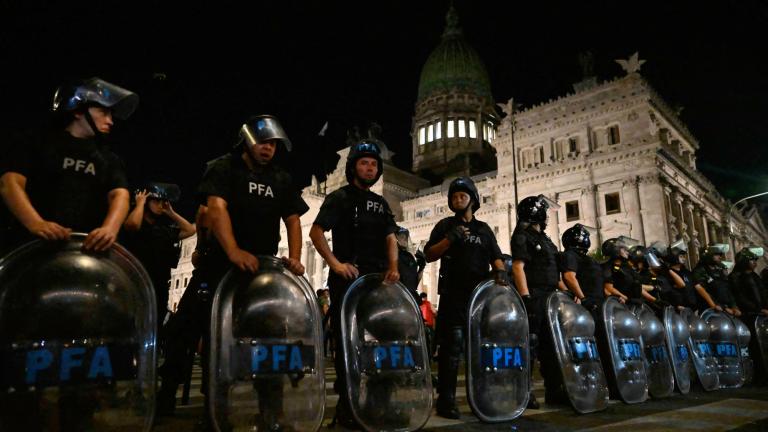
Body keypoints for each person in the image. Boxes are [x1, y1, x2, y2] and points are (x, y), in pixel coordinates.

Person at [157, 115, 308, 431]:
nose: (268, 149)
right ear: (247, 142)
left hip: (261, 268)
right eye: (262, 143)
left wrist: (294, 259)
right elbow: (215, 209)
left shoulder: (280, 178)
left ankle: (271, 410)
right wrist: (232, 251)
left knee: (270, 338)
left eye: (273, 145)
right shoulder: (224, 168)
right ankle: (183, 397)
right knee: (191, 328)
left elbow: (293, 219)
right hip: (219, 265)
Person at [309, 139, 399, 428]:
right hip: (347, 282)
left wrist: (394, 268)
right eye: (364, 163)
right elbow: (316, 231)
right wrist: (335, 264)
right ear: (353, 168)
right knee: (348, 345)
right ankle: (348, 409)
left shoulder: (382, 203)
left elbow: (390, 238)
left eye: (374, 164)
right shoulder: (340, 198)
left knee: (378, 344)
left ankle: (375, 403)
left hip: (377, 283)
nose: (369, 168)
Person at [0, 77, 137, 256]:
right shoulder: (37, 143)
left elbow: (120, 195)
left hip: (86, 253)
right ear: (78, 111)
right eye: (103, 112)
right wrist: (36, 223)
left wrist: (109, 229)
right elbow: (10, 182)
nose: (110, 121)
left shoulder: (109, 159)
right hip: (31, 250)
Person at [425, 176, 506, 418]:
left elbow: (496, 255)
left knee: (480, 346)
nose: (458, 199)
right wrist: (450, 239)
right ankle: (446, 399)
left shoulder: (484, 229)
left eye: (463, 195)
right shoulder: (444, 225)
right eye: (454, 196)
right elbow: (429, 254)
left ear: (473, 199)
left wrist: (501, 273)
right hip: (453, 293)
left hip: (479, 296)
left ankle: (481, 395)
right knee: (453, 347)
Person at [510, 194, 564, 408]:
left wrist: (566, 292)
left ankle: (554, 389)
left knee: (551, 345)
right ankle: (525, 391)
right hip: (535, 294)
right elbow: (518, 267)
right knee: (530, 345)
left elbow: (553, 271)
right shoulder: (523, 236)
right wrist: (526, 297)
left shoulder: (545, 239)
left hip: (551, 296)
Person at [122, 183, 196, 322]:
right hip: (136, 281)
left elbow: (190, 230)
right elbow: (132, 225)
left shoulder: (163, 230)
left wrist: (171, 212)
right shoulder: (137, 224)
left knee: (156, 320)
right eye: (156, 201)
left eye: (162, 202)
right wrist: (140, 204)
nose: (160, 205)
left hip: (159, 284)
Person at [558, 224, 605, 316]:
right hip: (586, 304)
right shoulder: (570, 255)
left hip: (597, 301)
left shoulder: (584, 257)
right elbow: (569, 277)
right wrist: (583, 299)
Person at [693, 243, 741, 316]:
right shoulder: (699, 270)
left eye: (720, 255)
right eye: (716, 254)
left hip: (727, 311)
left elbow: (727, 289)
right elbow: (702, 290)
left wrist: (734, 306)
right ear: (708, 255)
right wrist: (717, 305)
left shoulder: (719, 270)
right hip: (710, 311)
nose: (720, 257)